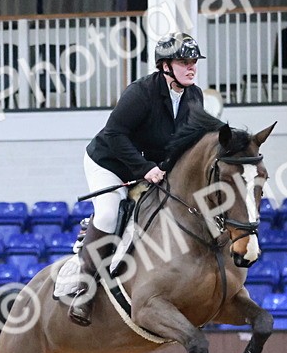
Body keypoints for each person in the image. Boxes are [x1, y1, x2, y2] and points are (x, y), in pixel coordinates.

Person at [69, 31, 206, 326]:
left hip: (151, 165)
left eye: (194, 61)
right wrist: (144, 169)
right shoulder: (141, 93)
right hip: (109, 161)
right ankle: (83, 289)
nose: (192, 67)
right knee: (108, 214)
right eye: (184, 61)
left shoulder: (194, 95)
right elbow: (114, 135)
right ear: (165, 65)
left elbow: (189, 140)